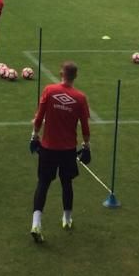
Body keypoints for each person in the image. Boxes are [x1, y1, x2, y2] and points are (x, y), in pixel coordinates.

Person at [29, 61, 91, 243]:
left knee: (43, 184)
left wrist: (34, 136)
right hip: (68, 150)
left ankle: (36, 223)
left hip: (48, 148)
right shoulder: (80, 98)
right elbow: (85, 127)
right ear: (75, 76)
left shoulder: (49, 90)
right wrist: (86, 145)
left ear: (61, 73)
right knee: (67, 183)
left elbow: (39, 118)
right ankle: (67, 218)